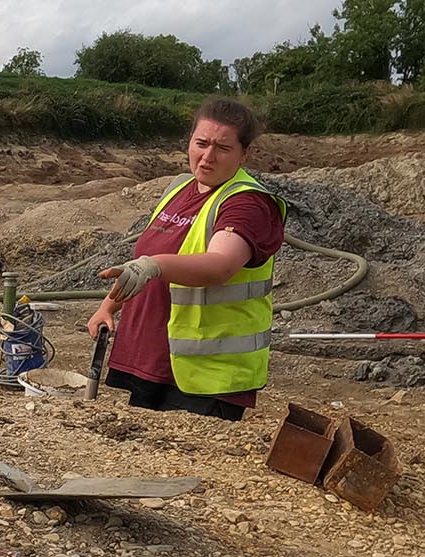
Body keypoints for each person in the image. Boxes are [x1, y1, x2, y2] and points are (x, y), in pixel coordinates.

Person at [87, 97, 288, 422]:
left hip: (206, 376)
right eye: (201, 143)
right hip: (153, 358)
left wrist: (155, 266)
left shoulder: (248, 204)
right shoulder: (179, 188)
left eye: (223, 148)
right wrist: (108, 307)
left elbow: (220, 265)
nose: (208, 157)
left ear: (245, 153)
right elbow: (144, 259)